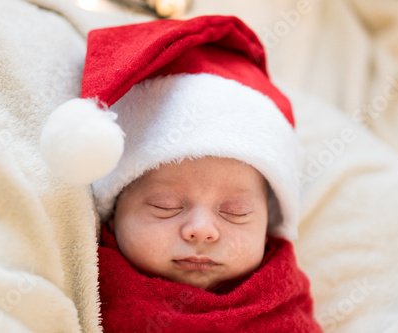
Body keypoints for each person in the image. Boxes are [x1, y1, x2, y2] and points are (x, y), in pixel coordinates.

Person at [43, 15, 323, 332]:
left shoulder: (281, 302)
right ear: (113, 211)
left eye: (236, 212)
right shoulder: (85, 278)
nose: (202, 231)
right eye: (166, 206)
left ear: (268, 224)